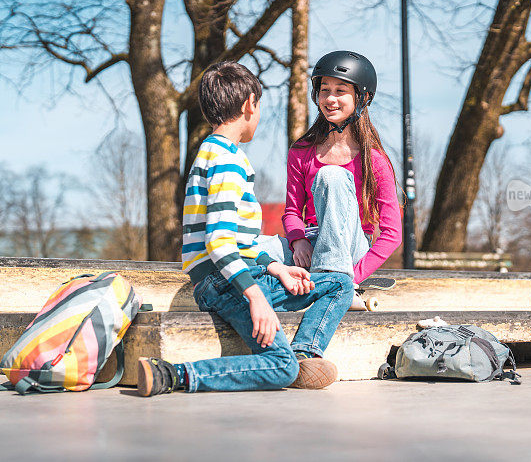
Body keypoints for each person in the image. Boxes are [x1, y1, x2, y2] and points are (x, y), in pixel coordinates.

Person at [137, 61, 355, 397]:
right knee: (281, 367)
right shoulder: (225, 160)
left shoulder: (219, 153)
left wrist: (277, 268)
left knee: (339, 282)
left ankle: (304, 353)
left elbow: (240, 241)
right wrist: (256, 296)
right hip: (227, 283)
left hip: (239, 276)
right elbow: (220, 242)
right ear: (249, 105)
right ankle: (172, 374)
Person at [282, 51, 402, 308]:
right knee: (252, 247)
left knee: (331, 175)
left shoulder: (374, 160)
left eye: (340, 90)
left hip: (351, 247)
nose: (330, 98)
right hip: (311, 245)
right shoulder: (301, 151)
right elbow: (292, 211)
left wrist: (354, 276)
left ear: (362, 97)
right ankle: (323, 287)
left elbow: (392, 233)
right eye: (324, 90)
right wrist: (297, 240)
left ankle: (335, 285)